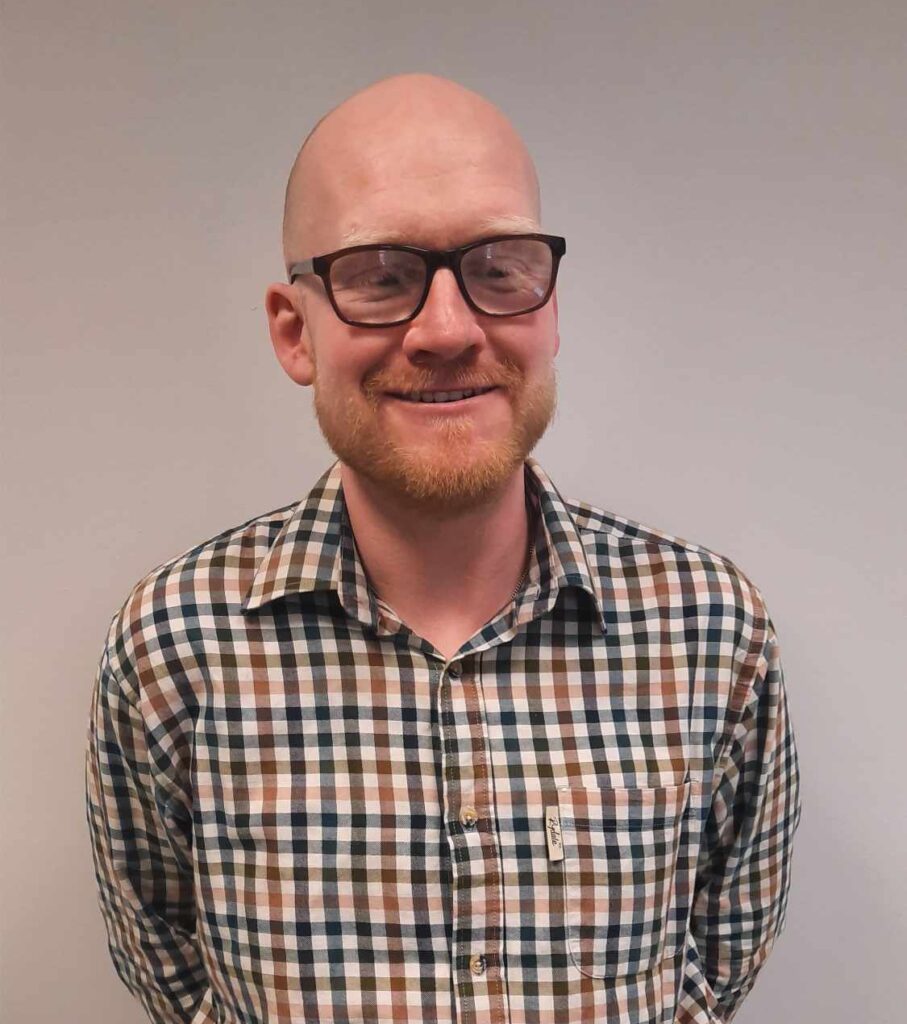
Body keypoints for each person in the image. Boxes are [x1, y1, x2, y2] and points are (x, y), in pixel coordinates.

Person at [85, 73, 800, 1024]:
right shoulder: (172, 651)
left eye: (498, 269)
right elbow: (171, 970)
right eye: (380, 275)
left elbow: (713, 969)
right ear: (295, 330)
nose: (448, 329)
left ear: (549, 309)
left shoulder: (711, 633)